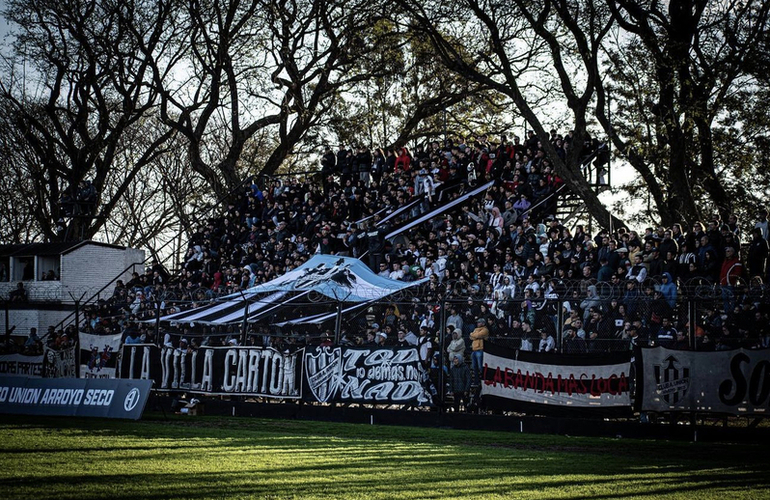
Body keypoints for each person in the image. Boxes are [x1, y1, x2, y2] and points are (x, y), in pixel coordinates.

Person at [469, 318, 489, 385]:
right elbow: (471, 337)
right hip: (474, 350)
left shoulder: (485, 330)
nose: (478, 323)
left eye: (479, 322)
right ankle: (476, 381)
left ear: (483, 323)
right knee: (474, 367)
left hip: (480, 350)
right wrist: (474, 335)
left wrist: (474, 334)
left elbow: (477, 335)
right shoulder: (476, 329)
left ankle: (482, 380)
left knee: (480, 367)